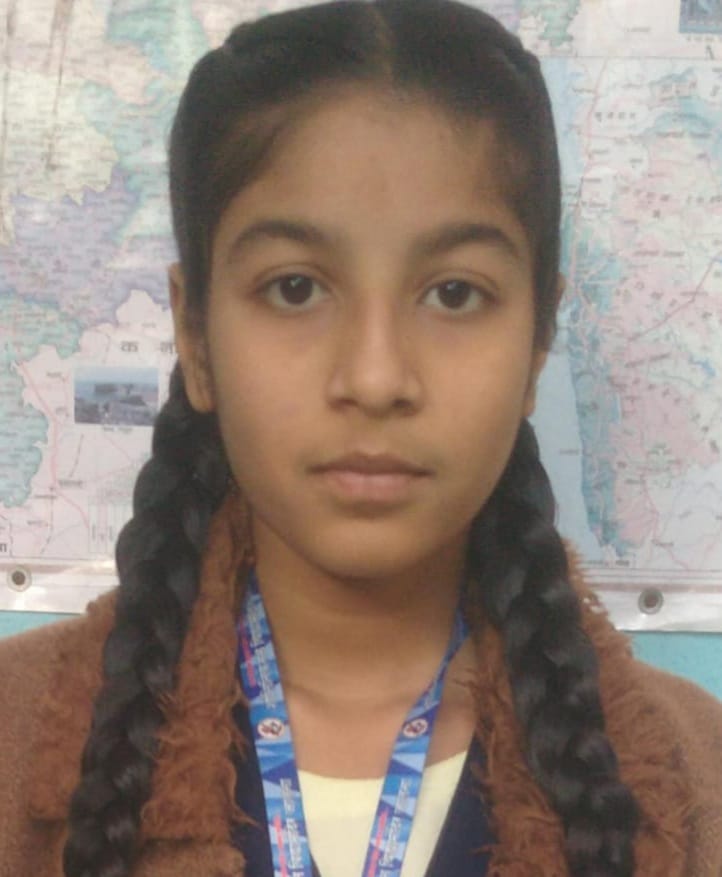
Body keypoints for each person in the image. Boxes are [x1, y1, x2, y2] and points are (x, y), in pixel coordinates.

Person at [0, 1, 721, 875]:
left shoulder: (694, 777)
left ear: (538, 342)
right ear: (195, 336)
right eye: (296, 288)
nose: (376, 378)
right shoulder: (17, 733)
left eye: (454, 293)